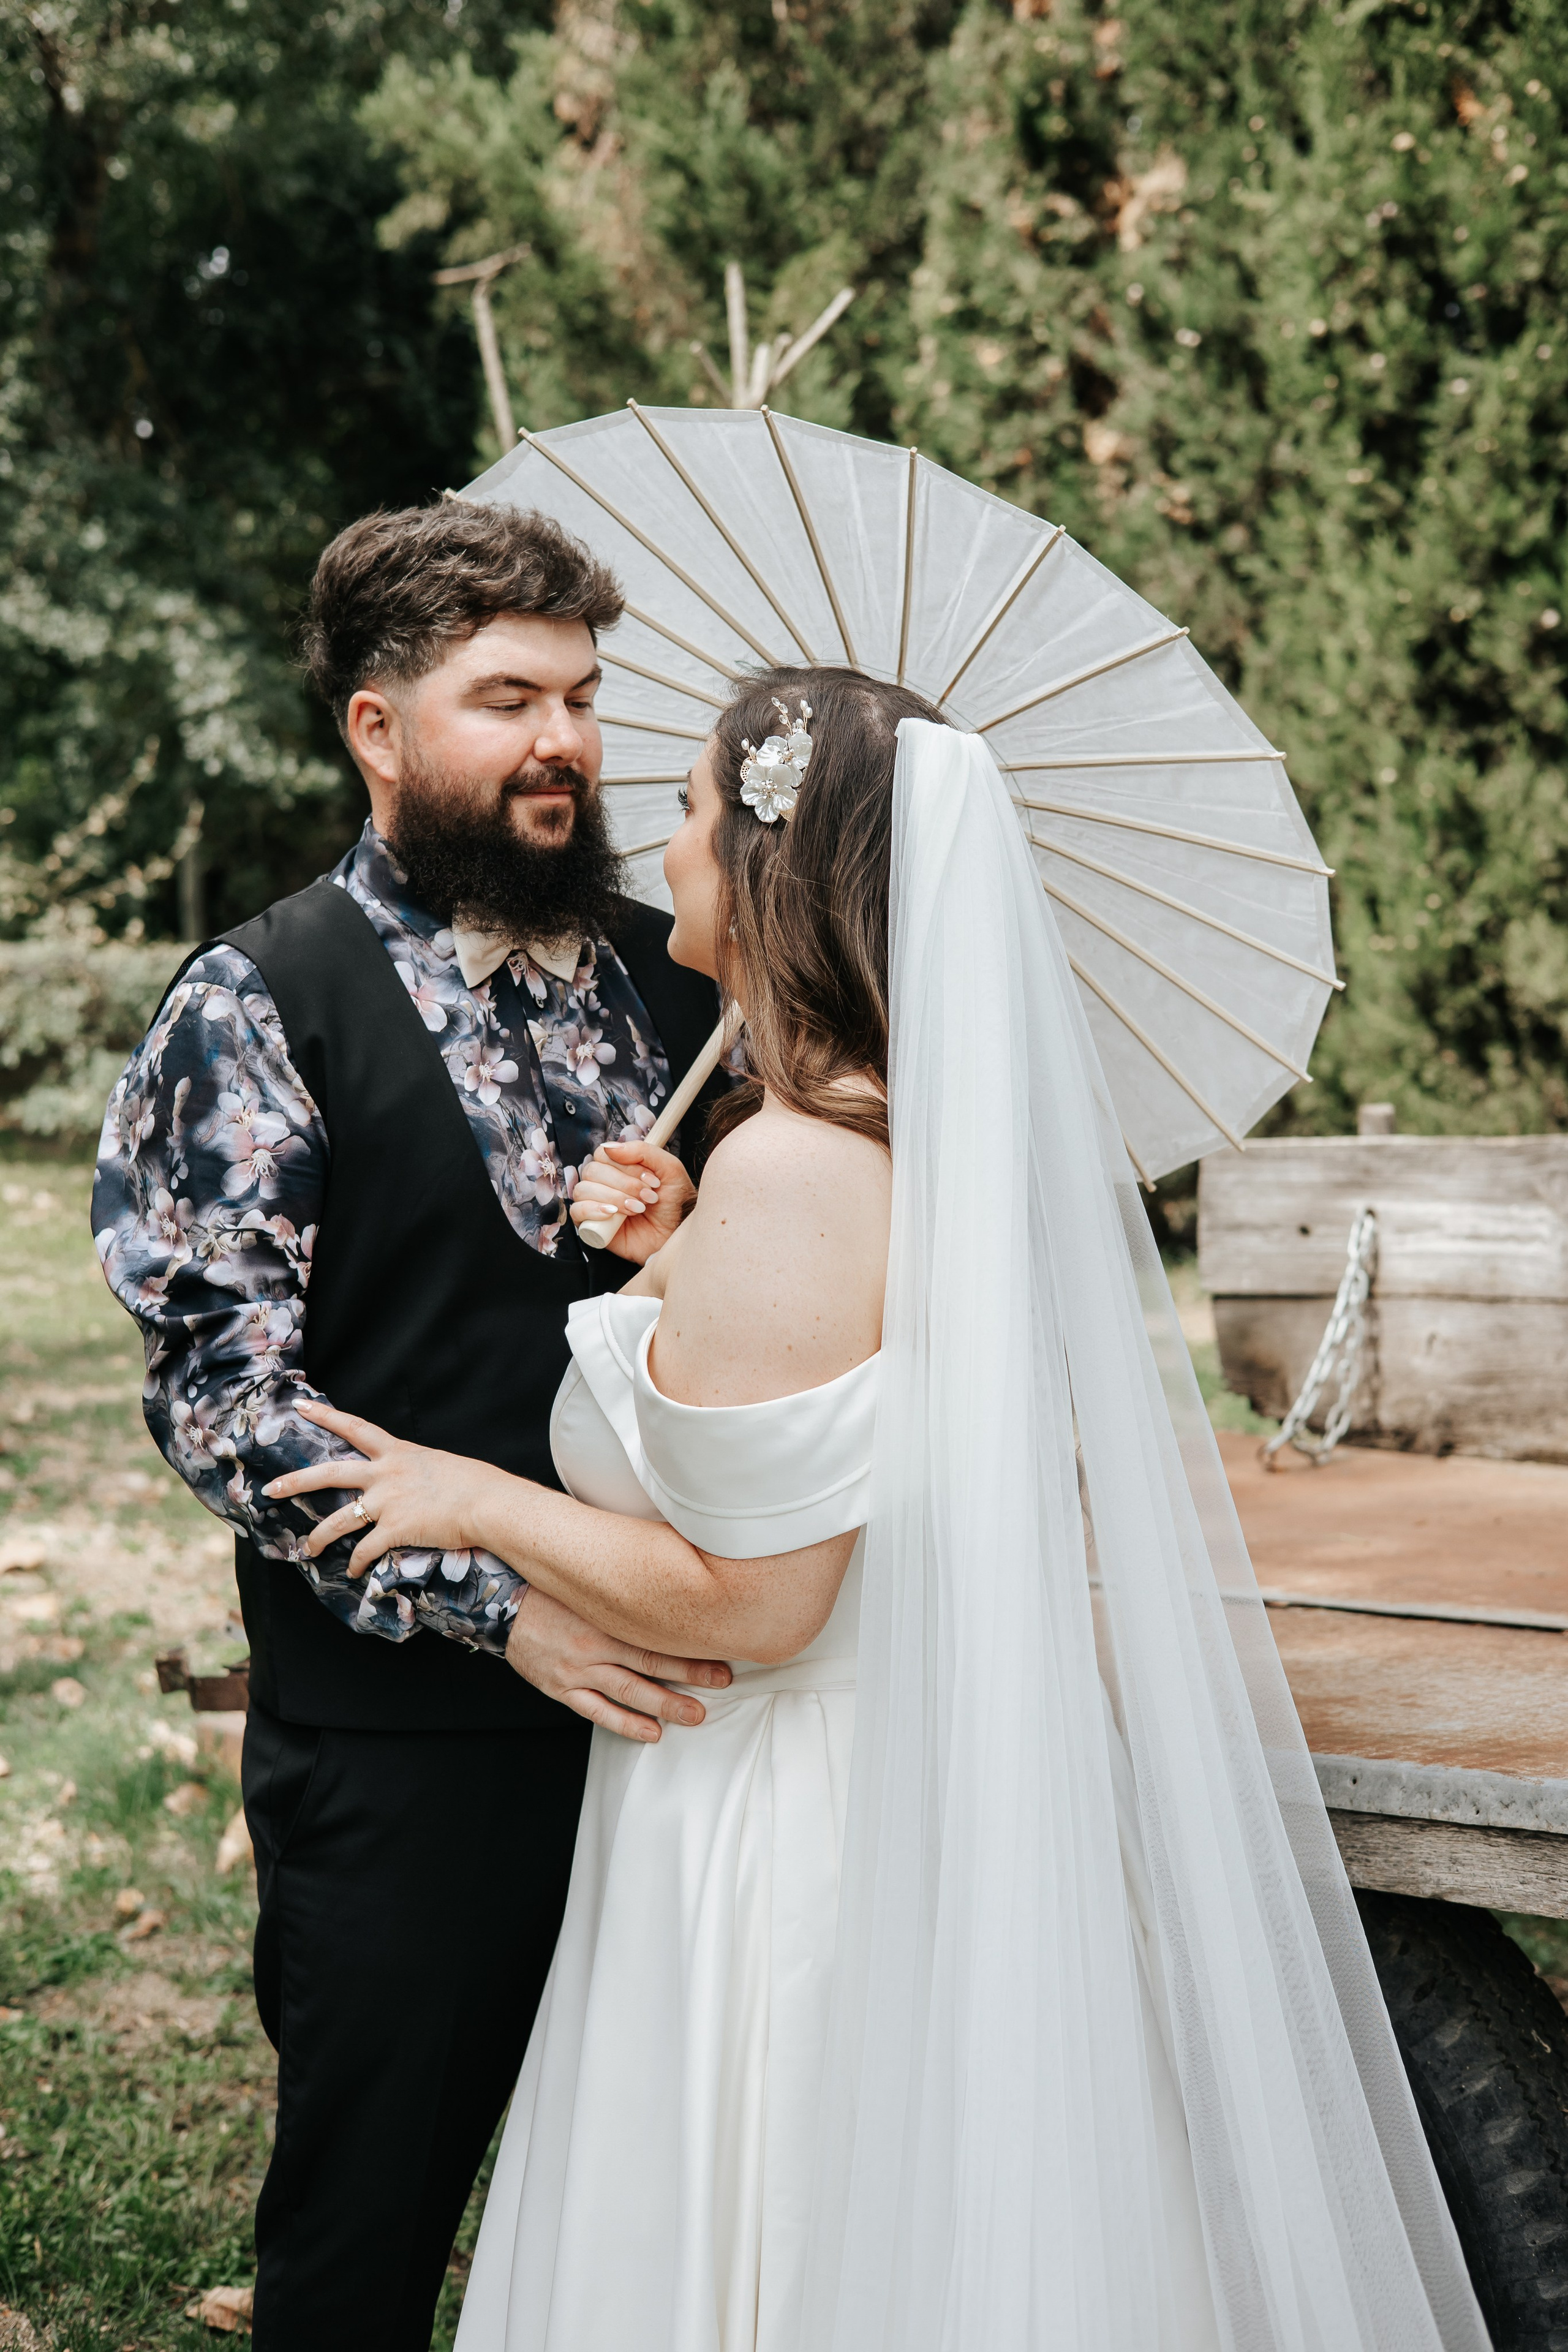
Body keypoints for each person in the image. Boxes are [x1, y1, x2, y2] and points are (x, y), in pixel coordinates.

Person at [264, 668, 1490, 2351]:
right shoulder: (888, 1151)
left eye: (694, 810)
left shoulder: (796, 1170)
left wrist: (465, 1492)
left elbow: (762, 1603)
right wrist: (680, 1254)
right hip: (883, 1773)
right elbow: (869, 1430)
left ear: (772, 865)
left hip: (777, 1831)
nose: (664, 840)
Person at [90, 500, 733, 2352]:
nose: (563, 743)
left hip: (687, 1719)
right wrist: (507, 1607)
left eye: (586, 698)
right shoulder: (255, 1001)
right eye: (505, 696)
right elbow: (223, 1392)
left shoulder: (680, 975)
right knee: (365, 2239)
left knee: (658, 2224)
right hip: (408, 1739)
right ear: (377, 728)